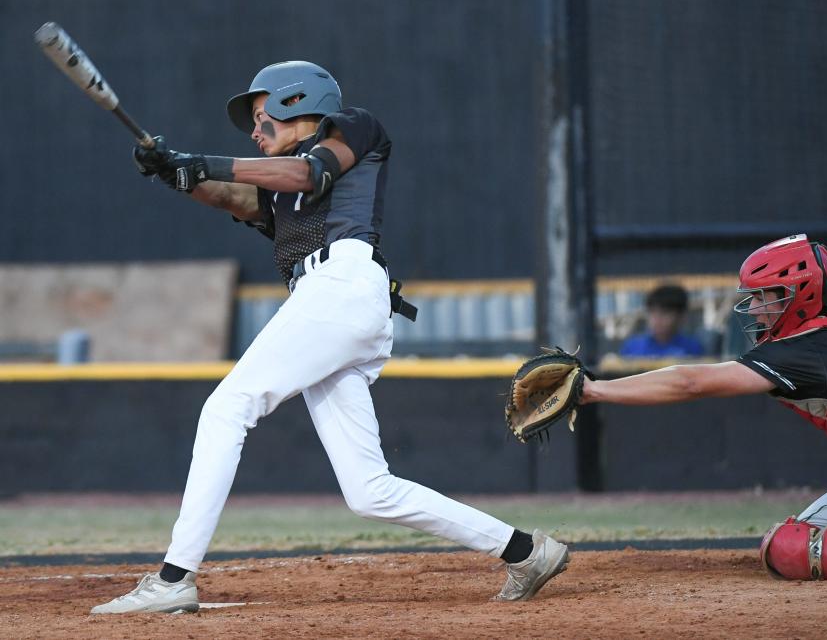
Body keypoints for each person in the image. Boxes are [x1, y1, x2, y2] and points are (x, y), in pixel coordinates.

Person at [91, 61, 568, 614]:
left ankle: (175, 578)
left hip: (341, 285)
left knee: (226, 408)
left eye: (261, 116)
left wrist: (203, 163)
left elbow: (309, 174)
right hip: (329, 303)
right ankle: (526, 551)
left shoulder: (351, 128)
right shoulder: (278, 186)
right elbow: (233, 197)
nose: (254, 130)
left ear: (298, 103)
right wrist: (173, 172)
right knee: (370, 490)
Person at [581, 234, 827, 581]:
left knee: (789, 543)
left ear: (802, 295)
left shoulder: (804, 346)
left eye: (766, 296)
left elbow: (691, 382)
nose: (756, 308)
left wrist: (595, 390)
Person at [619, 284, 705, 358]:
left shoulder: (693, 348)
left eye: (665, 313)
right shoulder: (632, 347)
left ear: (681, 316)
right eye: (652, 312)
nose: (657, 319)